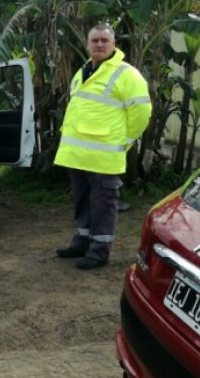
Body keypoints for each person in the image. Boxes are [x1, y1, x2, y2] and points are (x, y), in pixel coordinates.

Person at [54, 24, 152, 270]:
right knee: (82, 202)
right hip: (77, 155)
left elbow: (141, 113)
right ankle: (82, 241)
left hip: (104, 158)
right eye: (95, 40)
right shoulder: (83, 70)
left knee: (103, 206)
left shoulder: (126, 74)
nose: (99, 44)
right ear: (88, 44)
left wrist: (125, 142)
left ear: (114, 44)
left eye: (104, 40)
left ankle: (99, 251)